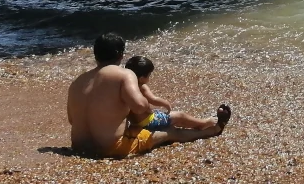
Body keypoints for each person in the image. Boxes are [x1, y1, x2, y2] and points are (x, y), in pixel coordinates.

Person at [66, 33, 230, 158]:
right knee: (171, 132)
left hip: (78, 147)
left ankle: (204, 125)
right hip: (111, 148)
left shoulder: (78, 81)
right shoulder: (124, 74)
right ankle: (213, 130)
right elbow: (140, 106)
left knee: (139, 128)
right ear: (120, 55)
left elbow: (72, 119)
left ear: (95, 54)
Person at [122, 55, 220, 134]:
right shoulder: (142, 87)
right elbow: (154, 99)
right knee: (180, 116)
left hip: (135, 123)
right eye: (149, 75)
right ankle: (202, 123)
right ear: (142, 78)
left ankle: (193, 124)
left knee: (171, 118)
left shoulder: (124, 88)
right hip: (148, 122)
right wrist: (166, 104)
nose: (149, 77)